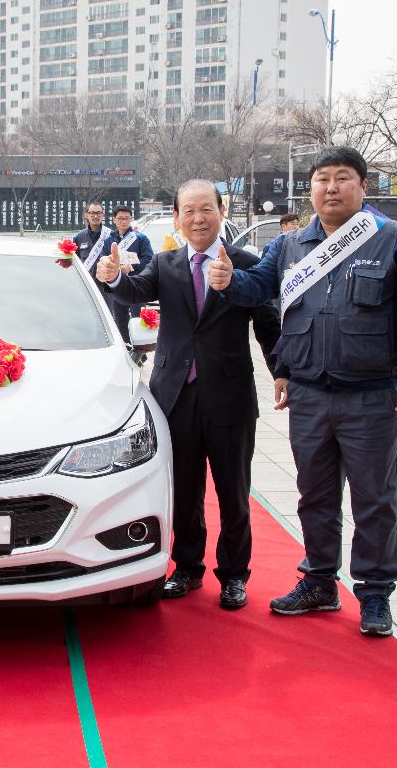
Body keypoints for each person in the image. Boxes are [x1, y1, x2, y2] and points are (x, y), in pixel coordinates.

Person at [208, 145, 397, 638]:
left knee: (375, 499)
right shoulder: (290, 245)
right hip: (309, 393)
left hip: (371, 394)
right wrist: (228, 282)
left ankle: (375, 593)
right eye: (322, 180)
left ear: (363, 186)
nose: (330, 188)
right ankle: (318, 581)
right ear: (310, 188)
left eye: (342, 178)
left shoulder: (395, 240)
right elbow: (259, 289)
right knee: (315, 495)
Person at [99, 180, 280, 608]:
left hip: (230, 396)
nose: (198, 218)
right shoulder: (165, 264)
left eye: (207, 209)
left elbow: (267, 322)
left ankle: (234, 575)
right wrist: (112, 279)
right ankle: (187, 567)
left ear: (221, 212)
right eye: (189, 211)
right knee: (184, 489)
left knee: (234, 491)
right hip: (175, 396)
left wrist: (282, 371)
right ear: (177, 219)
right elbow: (134, 290)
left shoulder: (247, 262)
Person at [100, 206, 154, 348]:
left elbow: (148, 259)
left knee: (138, 320)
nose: (123, 221)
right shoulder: (108, 240)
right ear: (114, 220)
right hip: (117, 286)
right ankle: (126, 350)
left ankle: (141, 353)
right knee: (119, 321)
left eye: (127, 218)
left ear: (131, 219)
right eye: (120, 218)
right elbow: (104, 259)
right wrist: (115, 268)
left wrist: (131, 267)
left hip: (136, 284)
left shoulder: (140, 238)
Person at [72, 202, 109, 277]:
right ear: (86, 215)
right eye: (92, 213)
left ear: (103, 215)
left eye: (98, 213)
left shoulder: (111, 235)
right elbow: (75, 260)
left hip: (106, 283)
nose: (95, 216)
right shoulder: (78, 237)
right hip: (86, 282)